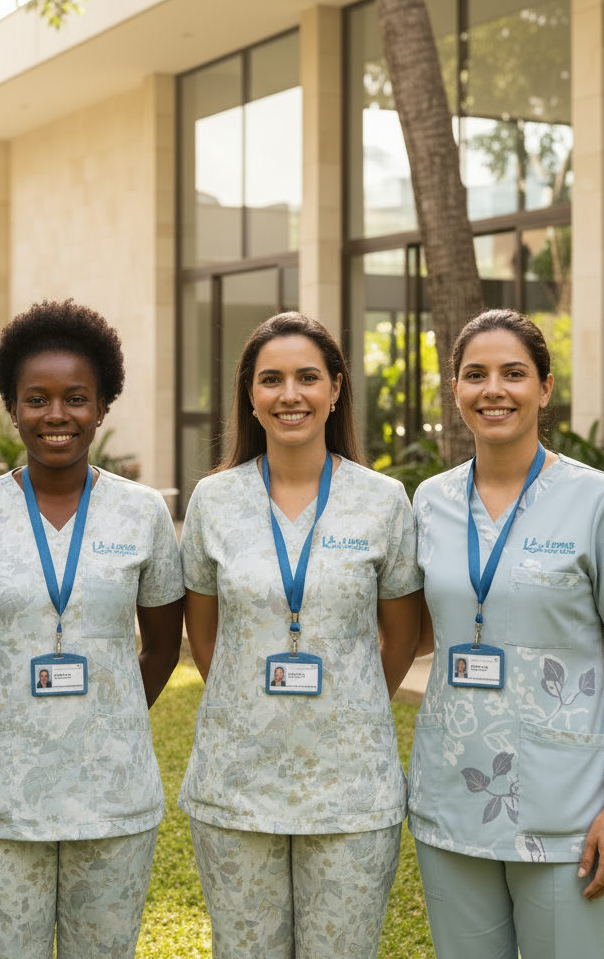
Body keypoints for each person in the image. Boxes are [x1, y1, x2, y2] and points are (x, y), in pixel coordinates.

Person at [410, 309, 604, 959]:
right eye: (476, 374)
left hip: (570, 808)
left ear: (545, 387)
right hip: (452, 797)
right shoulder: (429, 502)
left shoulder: (601, 500)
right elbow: (417, 634)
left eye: (514, 373)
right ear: (456, 388)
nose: (493, 390)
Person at [0, 299, 185, 959]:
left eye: (76, 398)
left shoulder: (143, 514)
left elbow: (162, 648)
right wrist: (1, 722)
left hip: (113, 796)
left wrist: (107, 718)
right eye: (37, 399)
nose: (56, 415)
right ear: (12, 408)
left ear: (102, 407)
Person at [179, 311, 422, 958]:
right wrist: (248, 704)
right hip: (236, 782)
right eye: (272, 380)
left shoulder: (383, 501)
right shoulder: (213, 501)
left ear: (336, 388)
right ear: (250, 395)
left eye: (308, 377)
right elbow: (206, 635)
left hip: (351, 787)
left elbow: (401, 636)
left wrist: (347, 702)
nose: (291, 395)